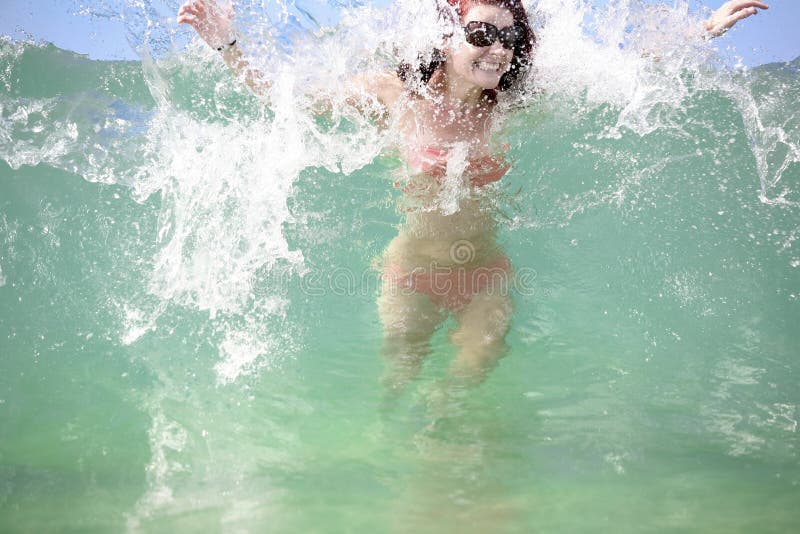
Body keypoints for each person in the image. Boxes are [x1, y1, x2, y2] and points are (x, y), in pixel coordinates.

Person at [177, 0, 769, 392]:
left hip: (486, 273)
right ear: (446, 38)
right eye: (482, 35)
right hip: (411, 272)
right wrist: (228, 45)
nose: (499, 49)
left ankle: (459, 489)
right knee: (397, 382)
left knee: (466, 384)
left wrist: (702, 31)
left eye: (509, 37)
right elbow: (287, 99)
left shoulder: (511, 105)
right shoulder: (393, 96)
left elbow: (620, 70)